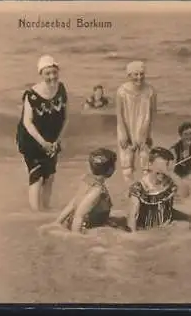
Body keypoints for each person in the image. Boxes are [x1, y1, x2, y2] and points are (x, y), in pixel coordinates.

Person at [16, 55, 69, 211]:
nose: (52, 76)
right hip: (32, 139)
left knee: (50, 176)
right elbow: (27, 122)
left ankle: (45, 209)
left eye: (54, 72)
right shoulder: (31, 95)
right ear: (41, 74)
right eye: (47, 73)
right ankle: (35, 214)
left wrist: (57, 141)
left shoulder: (61, 89)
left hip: (52, 139)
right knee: (37, 177)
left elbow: (66, 118)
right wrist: (43, 143)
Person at [127, 147, 191, 233]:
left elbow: (185, 193)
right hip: (147, 230)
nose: (162, 174)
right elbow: (133, 217)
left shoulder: (168, 183)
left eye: (165, 170)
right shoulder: (139, 188)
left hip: (167, 227)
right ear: (149, 165)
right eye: (158, 171)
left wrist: (170, 173)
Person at [49, 148, 117, 233]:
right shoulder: (97, 190)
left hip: (76, 222)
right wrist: (76, 237)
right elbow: (79, 215)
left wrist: (58, 222)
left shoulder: (87, 180)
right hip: (84, 227)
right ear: (110, 169)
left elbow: (74, 203)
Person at [116, 61, 157, 183]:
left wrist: (148, 134)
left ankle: (146, 194)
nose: (139, 77)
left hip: (143, 128)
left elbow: (153, 114)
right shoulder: (122, 91)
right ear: (129, 75)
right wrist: (123, 134)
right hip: (127, 127)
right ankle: (131, 194)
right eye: (136, 74)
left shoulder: (150, 91)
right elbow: (119, 114)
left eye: (142, 74)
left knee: (146, 165)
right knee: (127, 167)